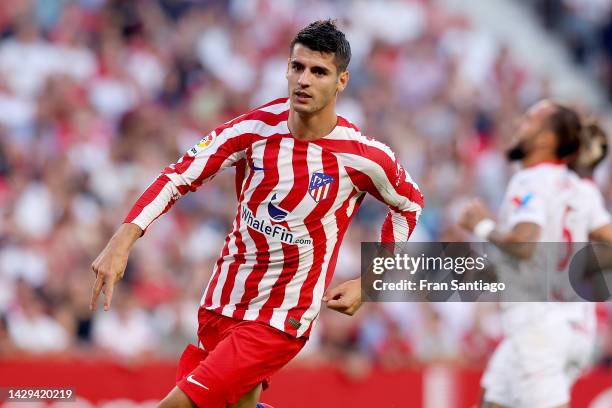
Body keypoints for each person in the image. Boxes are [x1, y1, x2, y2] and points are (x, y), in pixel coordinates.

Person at [89, 19, 424, 408]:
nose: (304, 80)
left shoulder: (363, 156)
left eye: (319, 72)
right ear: (286, 68)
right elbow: (180, 174)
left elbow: (409, 205)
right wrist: (123, 238)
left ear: (341, 82)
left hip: (281, 318)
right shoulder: (254, 128)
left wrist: (370, 283)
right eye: (297, 67)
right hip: (221, 300)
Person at [459, 100, 612, 408]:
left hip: (539, 330)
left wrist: (483, 225)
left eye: (529, 120)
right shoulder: (582, 188)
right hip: (577, 330)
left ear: (546, 139)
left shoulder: (529, 180)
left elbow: (526, 244)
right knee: (491, 401)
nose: (519, 125)